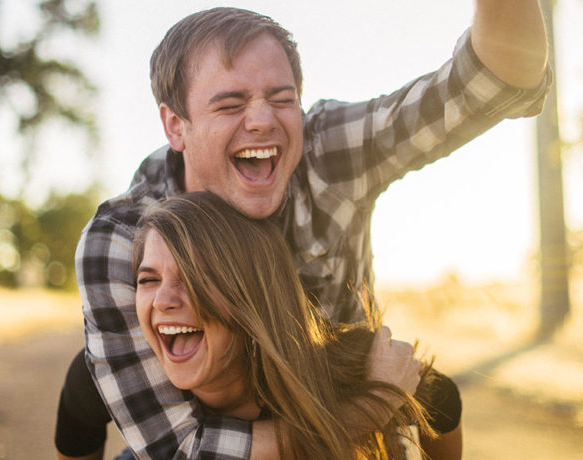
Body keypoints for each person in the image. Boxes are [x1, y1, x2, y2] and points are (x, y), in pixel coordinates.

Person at [72, 4, 550, 459]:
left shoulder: (326, 154)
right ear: (176, 125)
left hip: (335, 412)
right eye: (230, 104)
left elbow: (494, 81)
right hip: (260, 425)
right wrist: (370, 407)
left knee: (435, 393)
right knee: (82, 383)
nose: (262, 121)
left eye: (282, 99)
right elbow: (177, 448)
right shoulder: (121, 236)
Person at [58, 192, 437, 459]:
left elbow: (441, 397)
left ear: (251, 296)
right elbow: (78, 411)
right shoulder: (120, 381)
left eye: (194, 276)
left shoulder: (339, 369)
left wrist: (378, 401)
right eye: (148, 279)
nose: (163, 300)